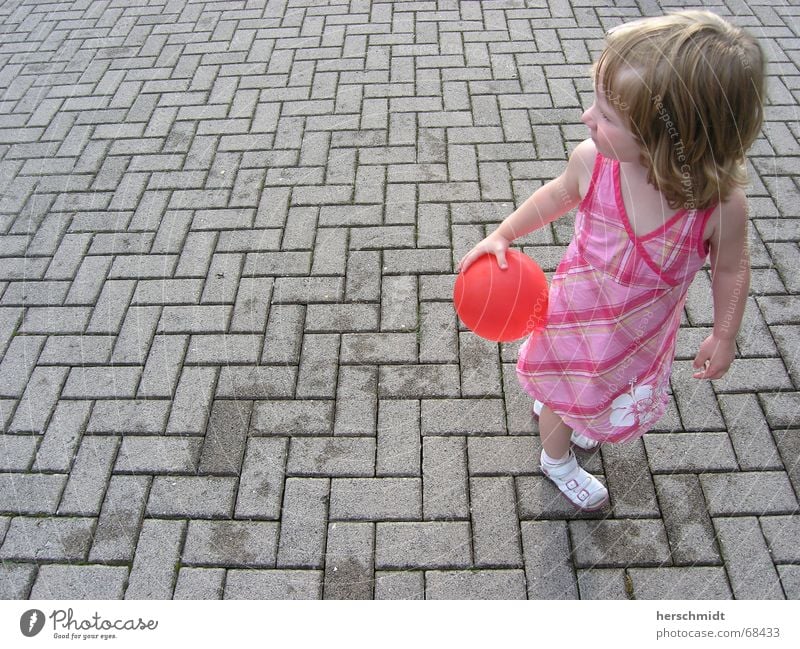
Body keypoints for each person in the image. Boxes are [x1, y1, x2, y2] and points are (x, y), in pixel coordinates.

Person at [456, 10, 766, 511]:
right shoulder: (593, 162)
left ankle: (576, 413)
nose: (586, 118)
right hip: (573, 319)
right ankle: (555, 460)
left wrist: (725, 332)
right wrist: (503, 234)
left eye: (606, 115)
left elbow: (732, 267)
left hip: (634, 338)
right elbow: (555, 197)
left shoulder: (718, 206)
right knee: (563, 395)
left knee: (596, 393)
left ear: (671, 138)